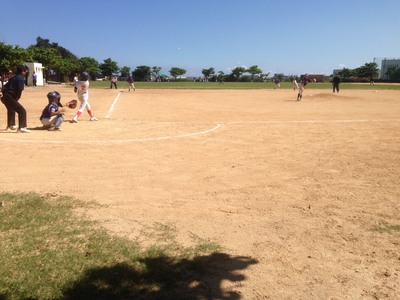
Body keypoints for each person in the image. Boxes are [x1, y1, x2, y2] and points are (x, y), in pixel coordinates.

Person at [0, 65, 31, 132]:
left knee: (11, 109)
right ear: (22, 71)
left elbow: (5, 87)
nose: (26, 72)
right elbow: (19, 91)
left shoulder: (15, 77)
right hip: (9, 96)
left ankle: (10, 125)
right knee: (22, 111)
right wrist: (15, 99)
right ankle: (22, 127)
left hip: (4, 96)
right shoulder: (20, 78)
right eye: (25, 71)